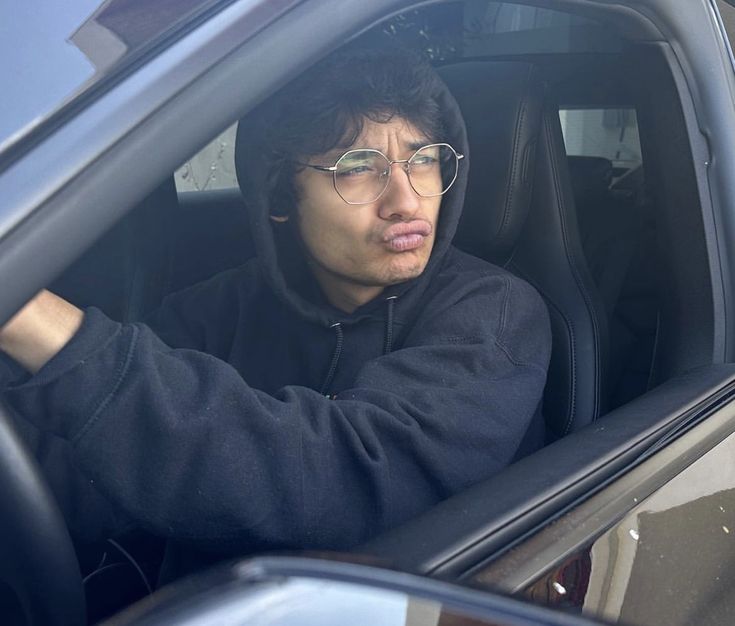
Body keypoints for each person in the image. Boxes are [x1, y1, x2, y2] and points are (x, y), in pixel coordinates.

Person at [0, 42, 551, 562]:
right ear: (281, 198)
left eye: (424, 159)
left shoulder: (494, 315)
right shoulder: (220, 309)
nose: (405, 202)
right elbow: (83, 466)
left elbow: (345, 481)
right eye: (358, 168)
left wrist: (40, 327)